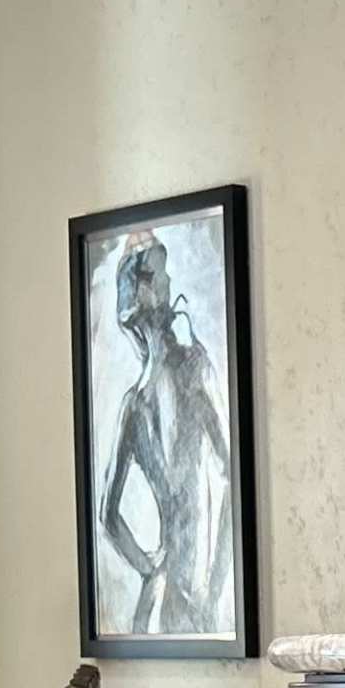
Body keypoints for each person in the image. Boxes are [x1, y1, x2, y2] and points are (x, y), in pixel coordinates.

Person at [96, 230, 236, 636]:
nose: (170, 280)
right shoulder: (191, 371)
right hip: (187, 596)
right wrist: (211, 584)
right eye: (161, 272)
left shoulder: (136, 402)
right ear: (145, 289)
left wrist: (151, 569)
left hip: (164, 598)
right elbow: (233, 478)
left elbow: (107, 515)